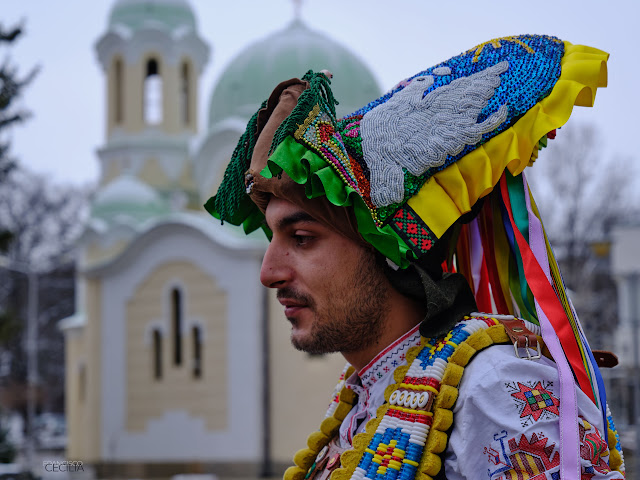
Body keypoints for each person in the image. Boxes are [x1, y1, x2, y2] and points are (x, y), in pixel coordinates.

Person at [206, 34, 625, 479]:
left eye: (303, 237)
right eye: (272, 238)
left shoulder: (492, 384)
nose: (268, 272)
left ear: (387, 250)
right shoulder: (363, 391)